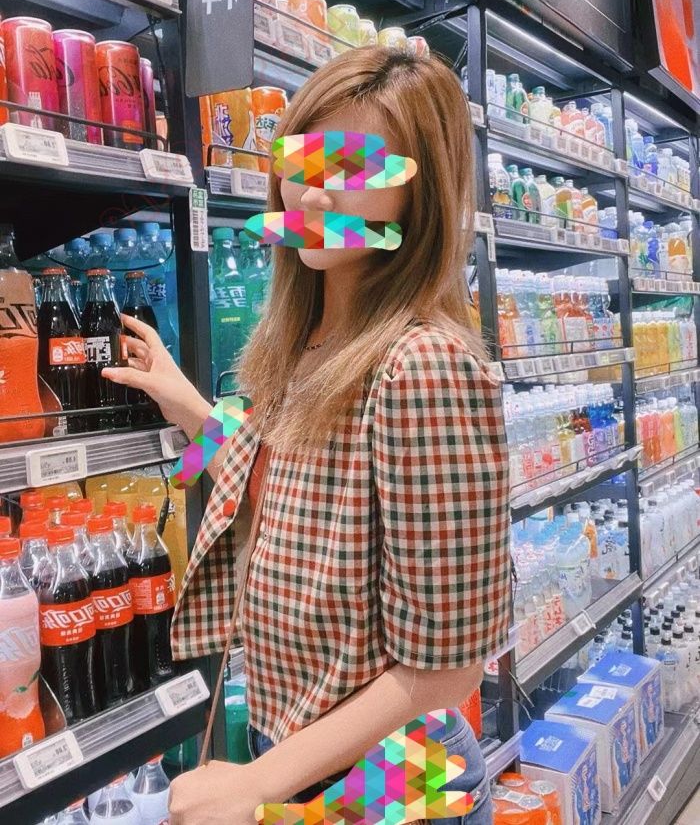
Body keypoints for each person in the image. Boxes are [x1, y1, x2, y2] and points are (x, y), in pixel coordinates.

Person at [103, 46, 511, 824]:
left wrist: (257, 784)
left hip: (400, 771)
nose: (318, 193)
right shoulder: (306, 342)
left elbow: (448, 666)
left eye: (356, 168)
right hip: (307, 749)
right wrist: (184, 402)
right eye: (304, 163)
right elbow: (286, 487)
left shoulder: (421, 365)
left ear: (418, 191)